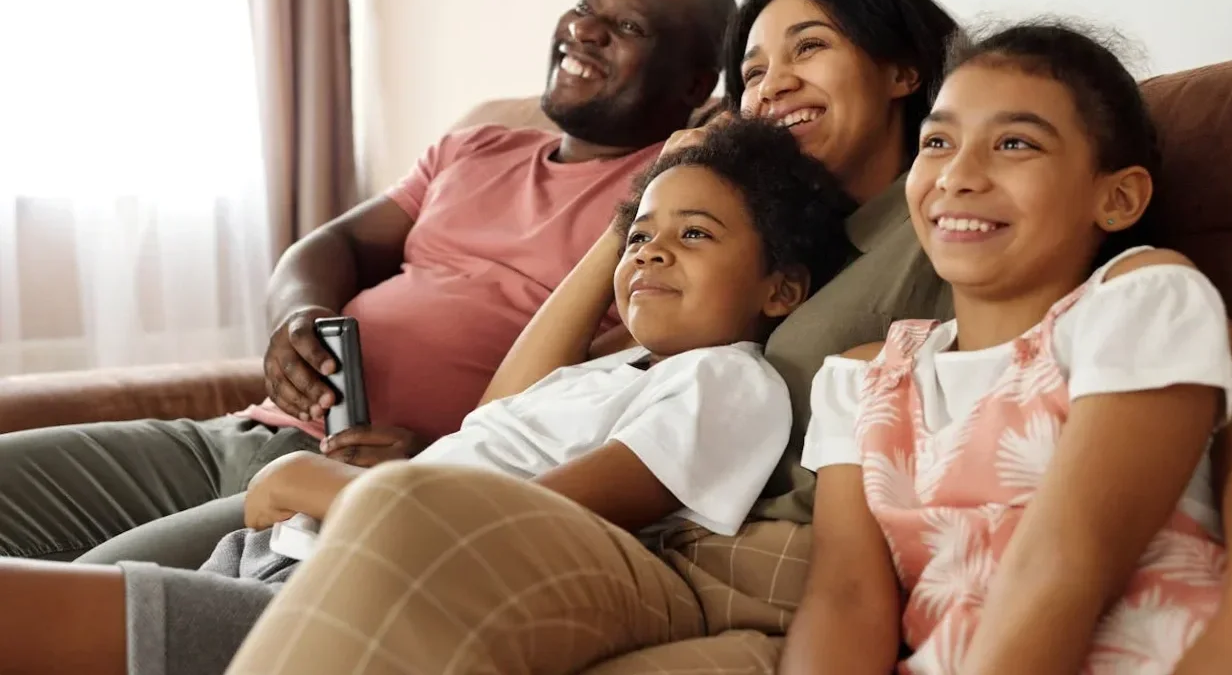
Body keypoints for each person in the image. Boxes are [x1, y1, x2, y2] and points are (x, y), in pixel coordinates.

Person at [208, 0, 1232, 674]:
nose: (960, 173)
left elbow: (1071, 554)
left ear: (898, 73)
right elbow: (850, 585)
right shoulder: (852, 346)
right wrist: (653, 207)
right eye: (750, 69)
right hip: (750, 559)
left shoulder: (1117, 296)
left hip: (719, 549)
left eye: (807, 48)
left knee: (402, 517)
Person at [0, 117, 857, 675]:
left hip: (346, 591)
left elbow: (519, 523)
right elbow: (495, 414)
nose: (650, 254)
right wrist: (617, 236)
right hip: (297, 550)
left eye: (693, 235)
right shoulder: (612, 368)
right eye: (639, 237)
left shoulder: (728, 381)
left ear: (780, 290)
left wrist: (316, 487)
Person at [0, 0, 737, 567]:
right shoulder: (475, 145)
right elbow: (333, 245)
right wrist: (298, 315)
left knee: (64, 605)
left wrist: (451, 459)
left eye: (625, 26)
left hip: (362, 482)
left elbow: (596, 391)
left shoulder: (664, 206)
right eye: (585, 5)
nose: (583, 30)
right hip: (248, 435)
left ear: (693, 85)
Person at [780, 22, 1232, 674]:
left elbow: (1065, 562)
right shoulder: (859, 377)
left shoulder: (1143, 300)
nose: (957, 174)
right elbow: (843, 598)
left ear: (1117, 196)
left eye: (1014, 143)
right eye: (936, 141)